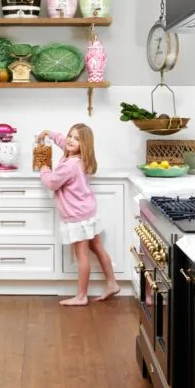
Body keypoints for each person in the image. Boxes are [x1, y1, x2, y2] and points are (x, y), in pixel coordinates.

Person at [36, 123, 120, 306]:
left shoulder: (70, 165)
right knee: (97, 248)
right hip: (87, 211)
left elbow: (51, 183)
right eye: (70, 136)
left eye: (77, 139)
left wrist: (43, 167)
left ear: (84, 145)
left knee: (81, 255)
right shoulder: (79, 158)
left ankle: (81, 296)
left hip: (77, 216)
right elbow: (63, 142)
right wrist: (49, 133)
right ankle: (112, 283)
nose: (71, 141)